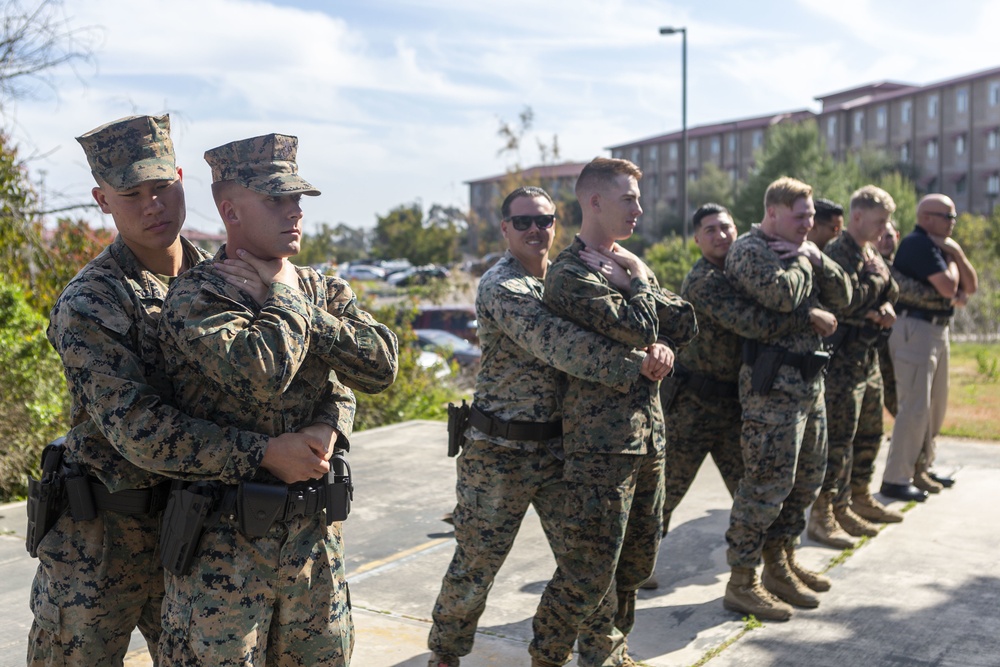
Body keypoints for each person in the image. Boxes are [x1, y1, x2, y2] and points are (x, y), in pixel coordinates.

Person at [30, 115, 336, 666]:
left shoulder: (227, 275)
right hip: (106, 543)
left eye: (162, 187)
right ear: (103, 199)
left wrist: (325, 426)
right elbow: (142, 431)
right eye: (132, 194)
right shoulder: (92, 303)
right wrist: (264, 453)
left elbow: (313, 368)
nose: (153, 205)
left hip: (200, 532)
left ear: (181, 179)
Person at [156, 133, 398, 665]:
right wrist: (286, 294)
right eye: (275, 199)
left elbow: (381, 366)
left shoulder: (323, 290)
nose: (293, 212)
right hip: (223, 559)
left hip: (314, 545)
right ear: (229, 210)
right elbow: (263, 371)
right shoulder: (198, 296)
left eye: (297, 199)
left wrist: (329, 426)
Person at [427, 186, 669, 667]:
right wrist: (635, 363)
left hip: (563, 451)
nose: (535, 230)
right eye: (523, 222)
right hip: (499, 452)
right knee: (477, 565)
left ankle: (605, 652)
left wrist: (658, 344)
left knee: (589, 563)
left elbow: (619, 318)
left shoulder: (568, 277)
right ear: (505, 229)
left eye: (545, 220)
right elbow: (560, 343)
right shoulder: (503, 286)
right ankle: (446, 653)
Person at [533, 157, 697, 667]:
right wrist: (642, 284)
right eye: (629, 199)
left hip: (648, 436)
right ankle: (548, 656)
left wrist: (663, 341)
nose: (639, 209)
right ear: (594, 202)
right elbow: (634, 326)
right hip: (601, 445)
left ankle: (608, 651)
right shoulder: (569, 274)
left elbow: (684, 321)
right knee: (588, 570)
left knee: (636, 562)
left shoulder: (624, 264)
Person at [645, 203, 821, 591]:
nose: (720, 235)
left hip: (734, 404)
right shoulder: (704, 280)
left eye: (726, 227)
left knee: (756, 484)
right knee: (665, 489)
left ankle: (773, 563)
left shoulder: (745, 270)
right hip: (693, 403)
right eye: (710, 230)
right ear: (697, 239)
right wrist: (807, 316)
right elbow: (753, 323)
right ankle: (637, 565)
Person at [723, 176, 851, 620]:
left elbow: (845, 296)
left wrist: (814, 256)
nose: (808, 224)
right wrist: (803, 265)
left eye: (812, 217)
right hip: (771, 388)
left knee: (807, 479)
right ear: (773, 212)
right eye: (801, 218)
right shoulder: (749, 249)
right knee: (765, 485)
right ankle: (742, 580)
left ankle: (781, 562)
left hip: (809, 384)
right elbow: (780, 295)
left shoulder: (802, 250)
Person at [809, 186, 902, 552]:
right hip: (843, 360)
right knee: (839, 442)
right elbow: (843, 301)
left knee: (870, 434)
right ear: (858, 217)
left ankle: (858, 498)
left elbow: (891, 290)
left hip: (868, 357)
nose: (885, 229)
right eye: (880, 221)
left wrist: (884, 306)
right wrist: (873, 290)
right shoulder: (838, 251)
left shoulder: (870, 252)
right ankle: (825, 513)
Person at [881, 194, 977, 502]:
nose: (952, 223)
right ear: (927, 218)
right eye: (947, 217)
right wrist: (952, 266)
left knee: (936, 405)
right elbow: (952, 289)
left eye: (953, 218)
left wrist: (957, 252)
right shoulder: (918, 244)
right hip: (915, 329)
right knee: (914, 406)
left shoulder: (944, 247)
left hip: (937, 328)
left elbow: (970, 288)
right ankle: (896, 478)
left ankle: (921, 468)